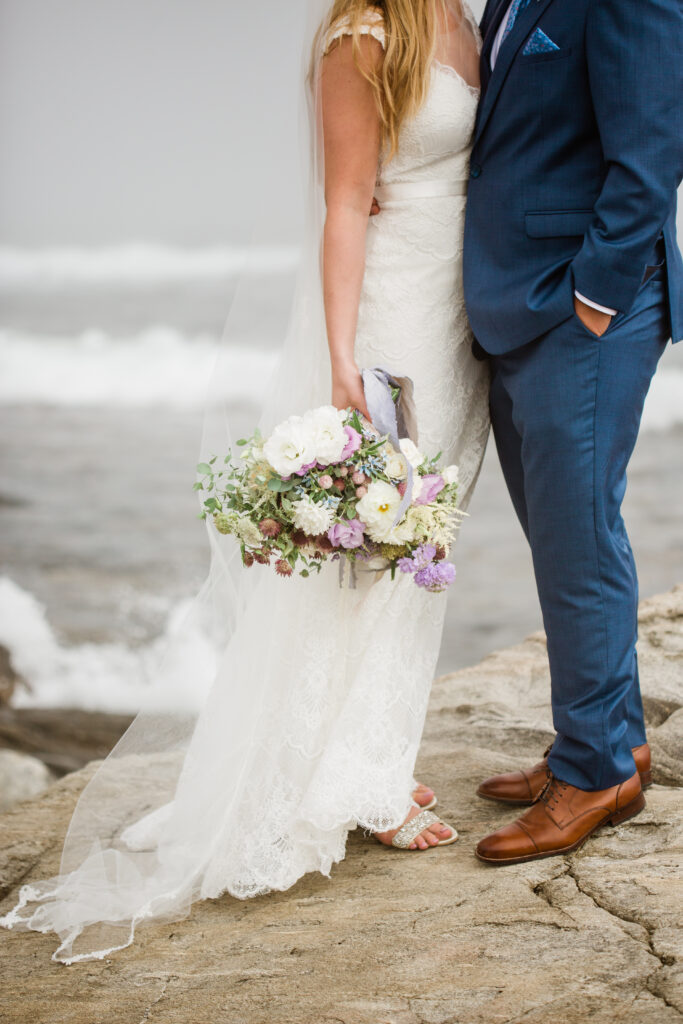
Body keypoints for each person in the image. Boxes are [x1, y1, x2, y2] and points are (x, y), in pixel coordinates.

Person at [0, 0, 489, 963]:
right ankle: (353, 782)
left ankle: (363, 754)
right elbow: (346, 201)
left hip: (458, 313)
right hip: (392, 315)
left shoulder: (468, 18)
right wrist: (345, 359)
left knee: (424, 541)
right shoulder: (362, 37)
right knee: (373, 552)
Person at [464, 0, 683, 864]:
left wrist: (594, 295)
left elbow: (652, 150)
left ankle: (593, 775)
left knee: (575, 539)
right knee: (565, 538)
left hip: (582, 305)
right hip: (518, 303)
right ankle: (610, 741)